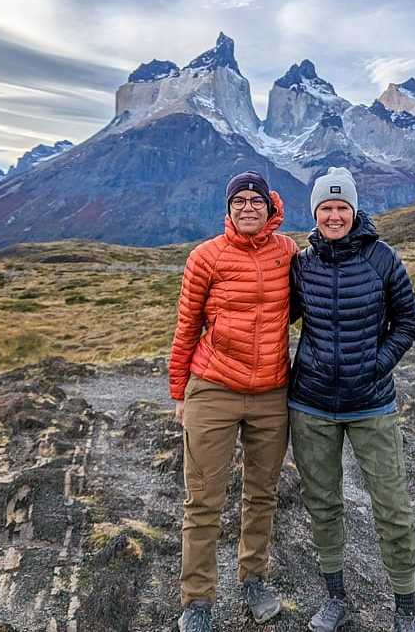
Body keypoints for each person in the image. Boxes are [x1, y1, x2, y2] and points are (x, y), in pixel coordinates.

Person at [289, 167, 415, 632]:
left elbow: (408, 320)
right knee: (323, 504)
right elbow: (273, 314)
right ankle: (336, 598)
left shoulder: (382, 258)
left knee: (393, 504)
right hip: (310, 404)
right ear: (315, 213)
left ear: (353, 210)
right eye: (325, 208)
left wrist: (376, 364)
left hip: (371, 404)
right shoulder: (302, 263)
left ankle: (405, 606)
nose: (333, 215)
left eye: (340, 207)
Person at [168, 171, 299, 632]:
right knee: (203, 500)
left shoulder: (288, 252)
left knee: (261, 494)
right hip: (214, 389)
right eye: (239, 201)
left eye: (255, 200)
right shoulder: (205, 256)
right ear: (228, 209)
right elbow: (186, 327)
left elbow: (299, 308)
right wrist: (180, 391)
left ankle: (253, 580)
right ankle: (197, 601)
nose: (247, 207)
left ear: (269, 207)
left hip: (271, 394)